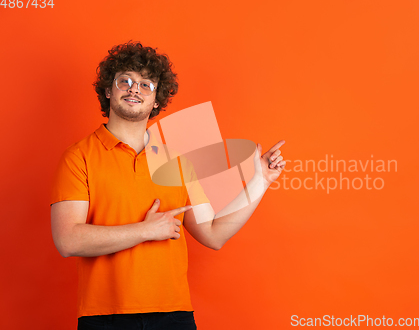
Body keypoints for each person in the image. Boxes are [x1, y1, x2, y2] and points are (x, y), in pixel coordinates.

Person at [50, 41, 286, 330]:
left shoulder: (176, 160)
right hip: (105, 316)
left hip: (174, 315)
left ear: (157, 100)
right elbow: (68, 240)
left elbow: (213, 234)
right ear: (108, 91)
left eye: (146, 84)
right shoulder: (78, 157)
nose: (135, 89)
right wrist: (146, 231)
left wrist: (259, 181)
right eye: (125, 81)